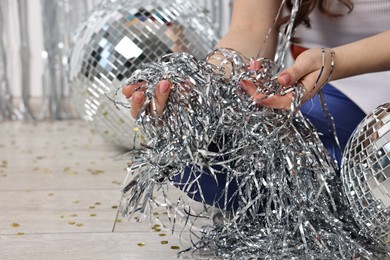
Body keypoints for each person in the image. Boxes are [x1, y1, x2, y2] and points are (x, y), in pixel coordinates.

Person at [122, 0, 390, 209]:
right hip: (328, 86)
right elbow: (250, 29)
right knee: (202, 163)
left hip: (345, 71)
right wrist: (200, 86)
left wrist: (337, 61)